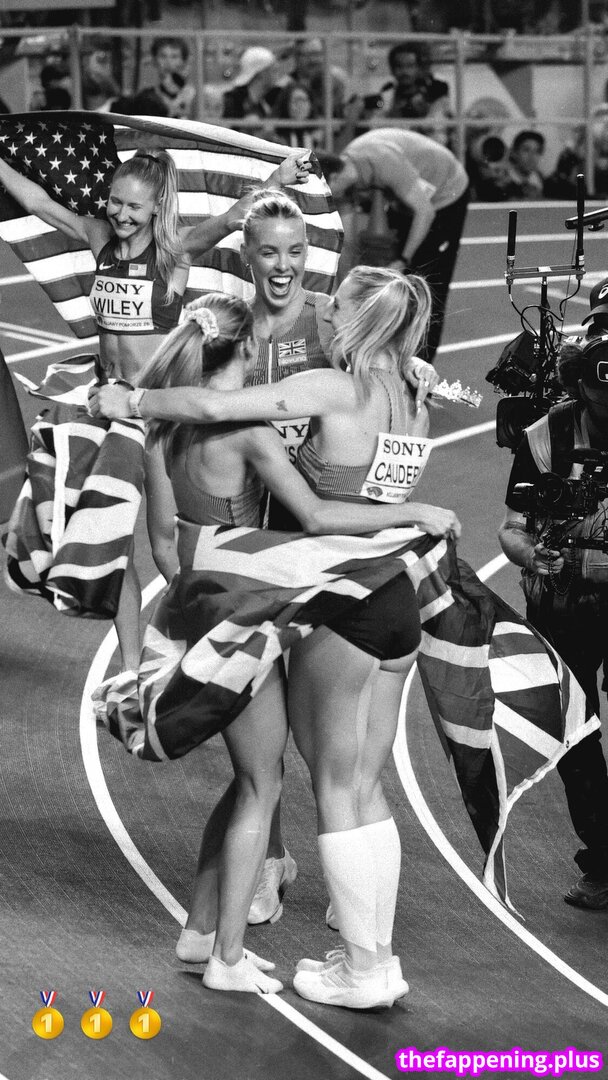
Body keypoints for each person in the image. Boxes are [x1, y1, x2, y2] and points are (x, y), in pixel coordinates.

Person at [90, 265, 460, 1007]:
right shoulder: (410, 393)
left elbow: (210, 411)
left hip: (336, 592)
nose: (320, 314)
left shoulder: (330, 387)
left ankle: (356, 967)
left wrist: (131, 398)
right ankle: (368, 961)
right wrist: (413, 511)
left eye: (333, 307)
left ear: (354, 319)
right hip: (393, 592)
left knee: (320, 785)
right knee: (361, 784)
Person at [0, 148, 310, 671]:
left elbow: (234, 217)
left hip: (157, 415)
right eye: (115, 202)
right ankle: (130, 668)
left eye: (134, 207)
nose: (121, 214)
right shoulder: (98, 237)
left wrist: (278, 179)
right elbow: (38, 202)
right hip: (108, 408)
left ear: (157, 206)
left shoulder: (174, 253)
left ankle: (217, 640)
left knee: (166, 546)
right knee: (109, 541)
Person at [498, 331, 608, 910]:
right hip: (562, 604)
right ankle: (604, 859)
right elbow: (512, 528)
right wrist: (529, 554)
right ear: (580, 387)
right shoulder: (544, 436)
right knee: (573, 729)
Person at [316, 129, 470, 363]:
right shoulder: (346, 174)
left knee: (427, 280)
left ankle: (419, 367)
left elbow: (425, 212)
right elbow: (346, 242)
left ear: (334, 179)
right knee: (389, 279)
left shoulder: (384, 163)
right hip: (407, 197)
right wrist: (344, 292)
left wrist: (403, 259)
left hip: (445, 192)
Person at [363, 41, 451, 146]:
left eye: (410, 66)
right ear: (392, 69)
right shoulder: (386, 97)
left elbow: (439, 137)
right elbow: (375, 132)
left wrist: (421, 120)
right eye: (399, 66)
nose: (404, 71)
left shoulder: (434, 97)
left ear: (418, 68)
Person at [222, 47, 283, 137]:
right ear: (261, 73)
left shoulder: (274, 98)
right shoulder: (232, 101)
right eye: (273, 70)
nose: (277, 74)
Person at [137, 36, 196, 120]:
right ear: (155, 60)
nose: (168, 62)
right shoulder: (145, 97)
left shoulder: (194, 96)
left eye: (174, 56)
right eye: (163, 56)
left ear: (183, 61)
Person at [506, 130, 546, 200]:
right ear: (514, 152)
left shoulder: (543, 181)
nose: (532, 157)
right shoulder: (504, 182)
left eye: (537, 151)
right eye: (526, 150)